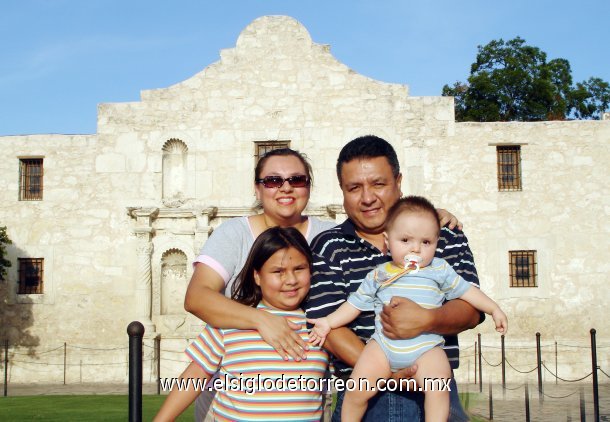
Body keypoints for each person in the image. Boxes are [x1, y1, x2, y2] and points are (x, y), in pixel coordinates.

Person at [304, 135, 483, 421]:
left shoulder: (444, 235)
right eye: (354, 187)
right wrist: (387, 370)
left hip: (434, 391)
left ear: (398, 182)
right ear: (342, 190)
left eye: (378, 184)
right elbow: (328, 325)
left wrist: (427, 319)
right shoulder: (328, 245)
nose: (367, 197)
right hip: (364, 394)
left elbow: (472, 309)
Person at [308, 196, 508, 421]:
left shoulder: (439, 269)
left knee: (438, 388)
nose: (415, 248)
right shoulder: (381, 273)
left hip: (426, 348)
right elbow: (354, 304)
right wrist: (328, 322)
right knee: (356, 389)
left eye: (426, 242)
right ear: (388, 241)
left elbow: (467, 292)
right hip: (382, 348)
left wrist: (493, 308)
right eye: (405, 240)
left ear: (436, 242)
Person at [183, 148, 336, 420]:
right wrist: (261, 320)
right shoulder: (233, 233)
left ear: (308, 187)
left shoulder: (329, 236)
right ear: (257, 189)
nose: (285, 188)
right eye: (273, 181)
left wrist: (436, 223)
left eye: (296, 180)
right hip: (231, 393)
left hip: (303, 394)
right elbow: (196, 297)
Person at [155, 227, 329, 421]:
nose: (291, 280)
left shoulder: (321, 324)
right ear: (257, 276)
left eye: (299, 269)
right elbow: (196, 374)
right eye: (278, 271)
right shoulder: (230, 322)